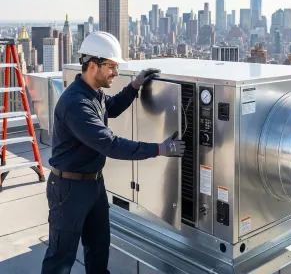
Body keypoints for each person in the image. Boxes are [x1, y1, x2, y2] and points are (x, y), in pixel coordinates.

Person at [41, 31, 185, 274]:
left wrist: (134, 86)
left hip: (93, 185)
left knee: (98, 250)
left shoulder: (93, 93)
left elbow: (112, 107)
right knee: (60, 259)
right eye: (112, 67)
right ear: (93, 66)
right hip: (68, 190)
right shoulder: (76, 104)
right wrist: (160, 149)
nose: (116, 73)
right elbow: (111, 145)